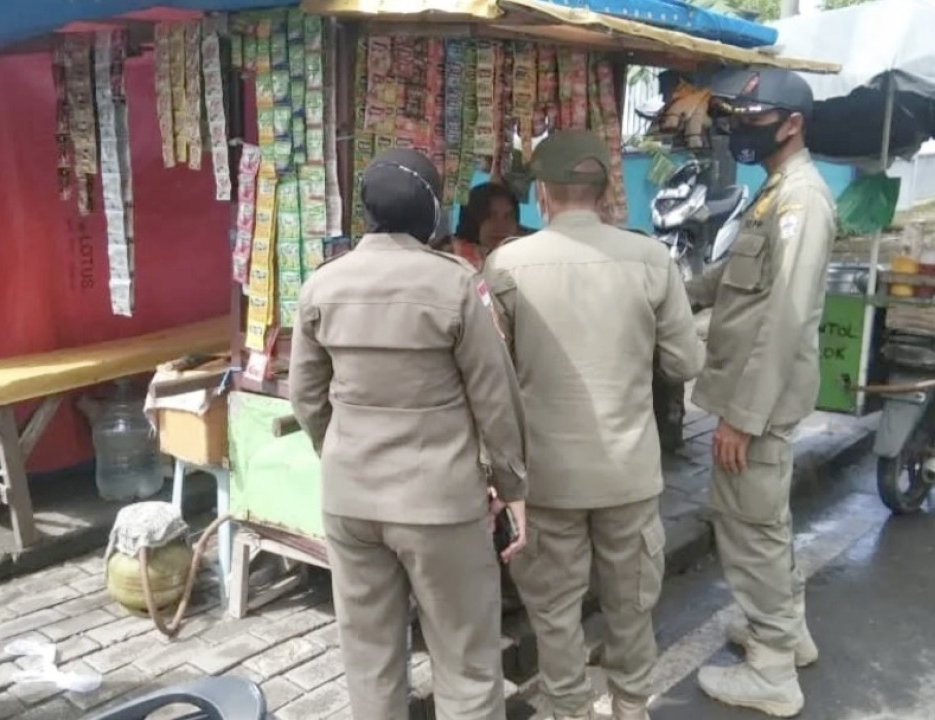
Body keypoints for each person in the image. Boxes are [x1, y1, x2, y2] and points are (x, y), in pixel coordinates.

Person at [289, 148, 530, 720]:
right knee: (467, 663)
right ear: (430, 212)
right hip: (440, 503)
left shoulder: (322, 285)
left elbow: (305, 396)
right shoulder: (455, 286)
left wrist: (340, 451)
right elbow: (494, 398)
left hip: (351, 501)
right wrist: (512, 487)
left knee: (370, 663)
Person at [483, 131, 704, 720]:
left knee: (553, 609)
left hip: (547, 480)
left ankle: (568, 709)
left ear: (545, 197)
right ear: (607, 191)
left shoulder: (505, 264)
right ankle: (631, 706)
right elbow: (685, 363)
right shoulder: (653, 259)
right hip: (628, 474)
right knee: (631, 603)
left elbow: (492, 378)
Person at [685, 68, 836, 717]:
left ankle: (772, 669)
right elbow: (733, 276)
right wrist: (671, 294)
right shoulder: (776, 192)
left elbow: (786, 316)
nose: (741, 128)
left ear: (792, 123)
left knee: (748, 528)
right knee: (764, 522)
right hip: (755, 395)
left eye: (753, 117)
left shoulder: (803, 199)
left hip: (761, 403)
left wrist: (743, 419)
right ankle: (785, 630)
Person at [451, 182, 531, 267]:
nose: (501, 226)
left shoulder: (525, 257)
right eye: (490, 216)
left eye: (508, 217)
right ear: (471, 220)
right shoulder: (453, 262)